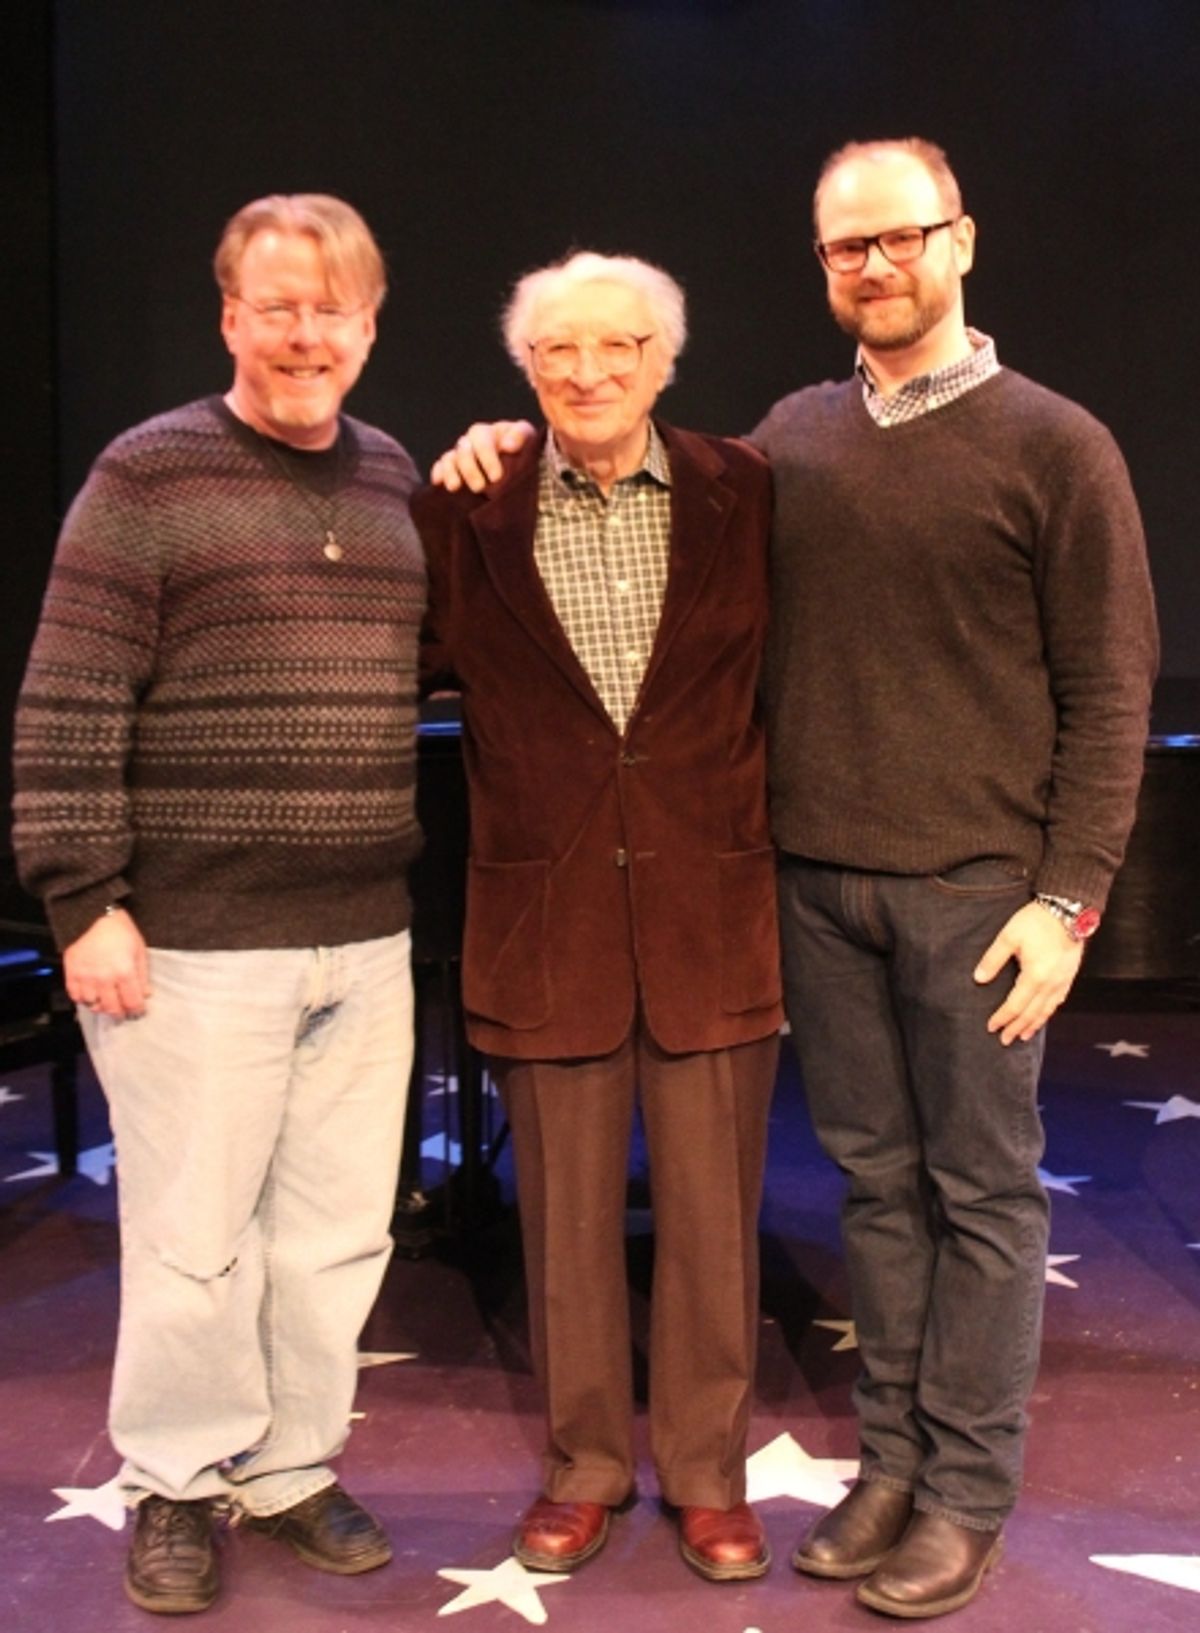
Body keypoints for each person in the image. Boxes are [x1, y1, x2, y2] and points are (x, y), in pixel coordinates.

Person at [430, 138, 1157, 1619]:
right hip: (810, 886)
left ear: (961, 241)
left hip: (977, 891)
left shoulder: (1054, 444)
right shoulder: (789, 445)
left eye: (900, 238)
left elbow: (1112, 679)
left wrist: (1069, 894)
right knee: (878, 1193)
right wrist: (475, 451)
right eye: (845, 249)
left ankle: (963, 1487)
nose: (873, 266)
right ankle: (890, 1460)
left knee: (983, 1195)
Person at [12, 194, 426, 1615]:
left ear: (370, 327)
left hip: (365, 938)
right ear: (230, 316)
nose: (305, 331)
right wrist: (84, 900)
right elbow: (66, 703)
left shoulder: (393, 481)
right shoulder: (149, 476)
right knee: (195, 1239)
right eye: (278, 304)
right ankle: (179, 1481)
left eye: (334, 307)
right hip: (188, 942)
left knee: (334, 1234)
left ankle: (292, 1465)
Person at [413, 251, 781, 1583]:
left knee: (710, 1218)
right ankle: (583, 1471)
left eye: (618, 346)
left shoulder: (752, 493)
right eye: (559, 352)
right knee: (563, 1227)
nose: (589, 371)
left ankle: (708, 1474)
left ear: (665, 360)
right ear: (526, 371)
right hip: (544, 914)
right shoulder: (465, 512)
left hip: (710, 907)